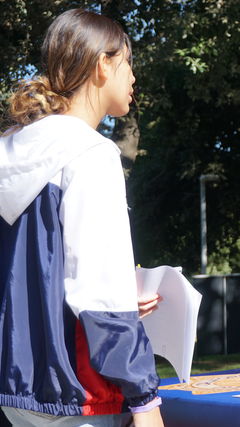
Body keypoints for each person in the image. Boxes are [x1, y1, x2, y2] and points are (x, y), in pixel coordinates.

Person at [0, 9, 164, 427]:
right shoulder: (91, 153)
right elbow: (99, 294)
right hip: (75, 391)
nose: (133, 78)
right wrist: (145, 401)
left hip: (17, 390)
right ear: (102, 63)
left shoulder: (12, 150)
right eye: (128, 62)